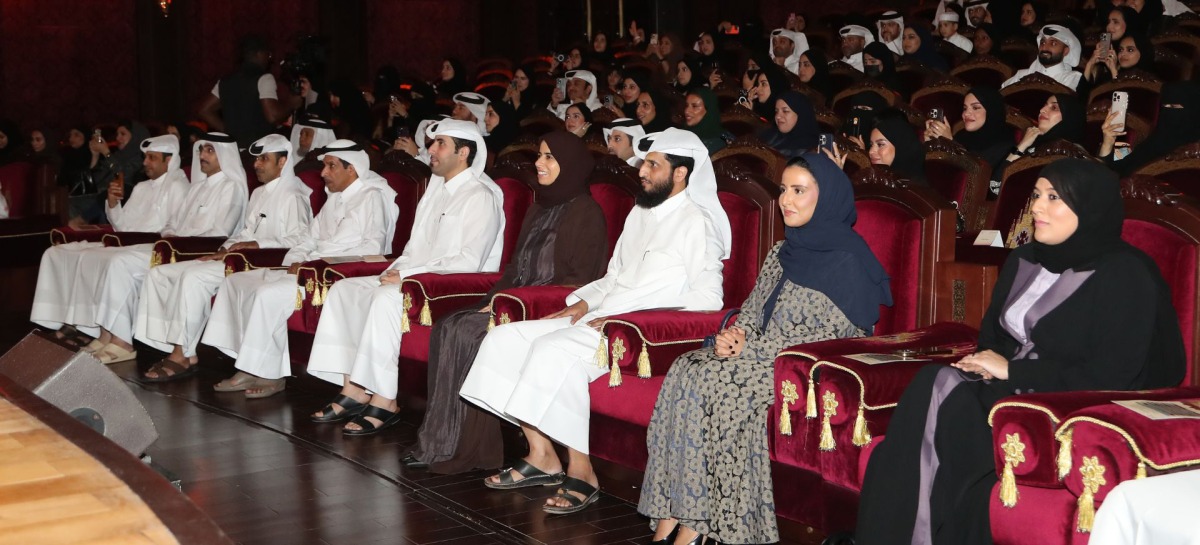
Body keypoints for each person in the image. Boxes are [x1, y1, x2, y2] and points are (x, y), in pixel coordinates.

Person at [856, 159, 1187, 544]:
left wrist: (1012, 372)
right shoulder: (1024, 259)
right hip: (1006, 391)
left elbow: (1114, 374)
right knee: (937, 385)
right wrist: (982, 363)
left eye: (1053, 197)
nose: (1036, 207)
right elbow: (994, 338)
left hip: (1066, 404)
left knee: (937, 394)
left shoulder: (1126, 274)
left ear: (1089, 206)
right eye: (1035, 195)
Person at [459, 128, 731, 515]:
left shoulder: (698, 223)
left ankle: (583, 472)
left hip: (638, 335)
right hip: (601, 318)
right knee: (504, 338)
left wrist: (633, 318)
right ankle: (541, 454)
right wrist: (583, 303)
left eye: (654, 165)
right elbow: (613, 276)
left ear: (682, 174)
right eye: (644, 163)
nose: (642, 171)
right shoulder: (640, 213)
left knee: (551, 349)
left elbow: (709, 301)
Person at [641, 153, 890, 545]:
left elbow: (835, 339)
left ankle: (704, 527)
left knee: (719, 383)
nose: (785, 200)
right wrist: (733, 336)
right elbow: (752, 313)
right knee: (687, 367)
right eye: (783, 190)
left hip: (801, 370)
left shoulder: (850, 261)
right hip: (755, 353)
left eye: (798, 191)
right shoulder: (781, 252)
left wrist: (752, 346)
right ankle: (675, 510)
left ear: (825, 199)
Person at [403, 131, 608, 473]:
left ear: (569, 164)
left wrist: (512, 304)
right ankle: (440, 441)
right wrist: (494, 300)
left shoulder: (587, 214)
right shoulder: (539, 207)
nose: (539, 164)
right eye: (539, 156)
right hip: (514, 302)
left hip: (547, 309)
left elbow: (581, 284)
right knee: (449, 325)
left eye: (549, 157)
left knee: (470, 333)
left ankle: (470, 449)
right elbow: (515, 268)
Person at [304, 120, 503, 427]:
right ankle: (353, 389)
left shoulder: (481, 195)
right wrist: (396, 270)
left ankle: (385, 399)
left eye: (440, 144)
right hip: (416, 277)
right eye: (432, 143)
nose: (431, 150)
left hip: (455, 288)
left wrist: (407, 274)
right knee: (345, 290)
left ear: (463, 153)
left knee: (385, 298)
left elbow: (469, 261)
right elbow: (412, 249)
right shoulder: (435, 191)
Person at [202, 139, 400, 398]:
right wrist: (294, 261)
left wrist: (311, 265)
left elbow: (373, 249)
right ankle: (246, 363)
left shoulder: (371, 197)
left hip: (328, 276)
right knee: (236, 282)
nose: (323, 173)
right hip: (305, 268)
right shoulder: (334, 199)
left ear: (352, 169)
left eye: (331, 166)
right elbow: (306, 238)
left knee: (266, 295)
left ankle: (270, 375)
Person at [134, 134, 313, 381]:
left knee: (192, 277)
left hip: (260, 262)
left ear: (283, 162)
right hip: (239, 257)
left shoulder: (294, 194)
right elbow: (243, 232)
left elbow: (299, 240)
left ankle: (182, 353)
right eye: (257, 159)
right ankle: (167, 345)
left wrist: (256, 244)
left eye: (264, 159)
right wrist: (224, 250)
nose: (257, 164)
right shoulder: (259, 193)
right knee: (161, 272)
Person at [86, 133, 249, 364]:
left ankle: (126, 341)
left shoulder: (231, 187)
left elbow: (220, 232)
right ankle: (124, 337)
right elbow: (174, 222)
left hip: (193, 251)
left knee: (120, 261)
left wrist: (178, 242)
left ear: (225, 154)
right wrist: (172, 234)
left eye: (210, 151)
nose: (202, 155)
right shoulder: (197, 187)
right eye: (201, 150)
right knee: (116, 260)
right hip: (175, 246)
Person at [31, 134, 189, 346]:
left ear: (169, 160)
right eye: (145, 157)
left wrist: (131, 238)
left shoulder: (178, 187)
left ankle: (102, 331)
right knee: (57, 252)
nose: (145, 163)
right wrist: (113, 204)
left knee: (98, 258)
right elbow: (122, 227)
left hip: (150, 247)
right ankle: (70, 321)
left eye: (151, 158)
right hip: (126, 242)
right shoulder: (142, 187)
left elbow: (172, 231)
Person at [198, 36, 296, 147]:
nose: (269, 58)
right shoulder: (264, 78)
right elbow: (272, 116)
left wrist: (228, 131)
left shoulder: (225, 80)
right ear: (259, 54)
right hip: (257, 150)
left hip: (233, 148)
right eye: (268, 54)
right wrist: (291, 104)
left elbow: (204, 110)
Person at [1100, 80, 1200, 176]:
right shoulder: (1154, 144)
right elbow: (1114, 173)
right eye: (1166, 107)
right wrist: (1107, 144)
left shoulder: (1193, 162)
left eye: (1176, 107)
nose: (1169, 113)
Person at [928, 87, 1013, 196]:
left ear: (992, 110)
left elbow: (979, 182)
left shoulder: (1005, 145)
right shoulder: (961, 136)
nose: (966, 113)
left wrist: (951, 143)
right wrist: (930, 143)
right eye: (965, 108)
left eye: (975, 108)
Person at [1005, 94, 1085, 162]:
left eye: (1054, 108)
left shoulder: (1075, 156)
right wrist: (1022, 145)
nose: (1041, 110)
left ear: (1070, 117)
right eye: (1044, 105)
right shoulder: (1030, 143)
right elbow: (998, 178)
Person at [1002, 24, 1083, 91]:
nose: (1044, 48)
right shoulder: (1021, 75)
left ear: (1066, 51)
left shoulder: (1072, 79)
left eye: (1053, 44)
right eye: (1042, 43)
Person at [867, 109, 929, 184]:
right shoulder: (870, 181)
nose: (870, 151)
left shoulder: (917, 189)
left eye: (880, 145)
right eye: (871, 145)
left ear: (901, 147)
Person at [760, 91, 821, 158]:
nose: (778, 116)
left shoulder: (810, 151)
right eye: (776, 111)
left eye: (785, 111)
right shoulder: (769, 135)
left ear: (801, 115)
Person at [682, 89, 731, 154]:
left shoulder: (719, 143)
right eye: (687, 105)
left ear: (709, 111)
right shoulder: (682, 132)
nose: (687, 111)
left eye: (695, 106)